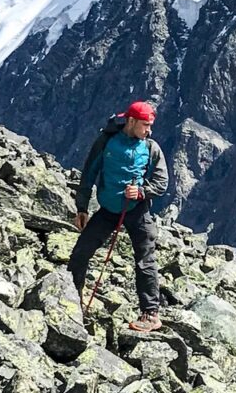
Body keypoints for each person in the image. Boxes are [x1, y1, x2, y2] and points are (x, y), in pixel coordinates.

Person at [67, 100, 168, 332]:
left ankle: (151, 314)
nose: (149, 130)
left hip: (137, 211)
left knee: (145, 259)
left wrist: (142, 192)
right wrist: (81, 207)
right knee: (81, 252)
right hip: (109, 210)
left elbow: (162, 182)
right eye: (145, 125)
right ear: (131, 121)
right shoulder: (106, 141)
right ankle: (71, 299)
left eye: (150, 125)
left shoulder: (151, 148)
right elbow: (89, 173)